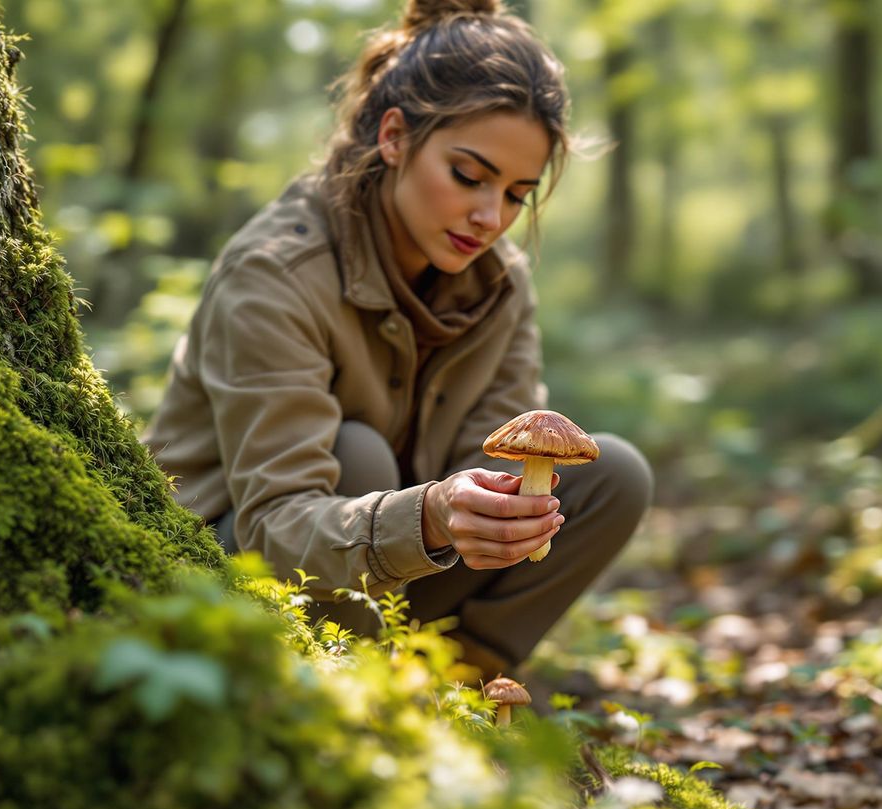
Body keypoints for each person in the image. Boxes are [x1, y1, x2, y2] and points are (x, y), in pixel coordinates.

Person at [143, 0, 653, 679]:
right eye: (469, 177)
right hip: (233, 573)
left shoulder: (500, 284)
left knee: (611, 476)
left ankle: (457, 699)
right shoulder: (274, 274)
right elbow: (275, 523)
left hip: (396, 565)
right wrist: (434, 514)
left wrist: (490, 511)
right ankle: (344, 697)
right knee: (359, 456)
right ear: (393, 137)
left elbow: (497, 453)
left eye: (516, 195)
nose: (489, 216)